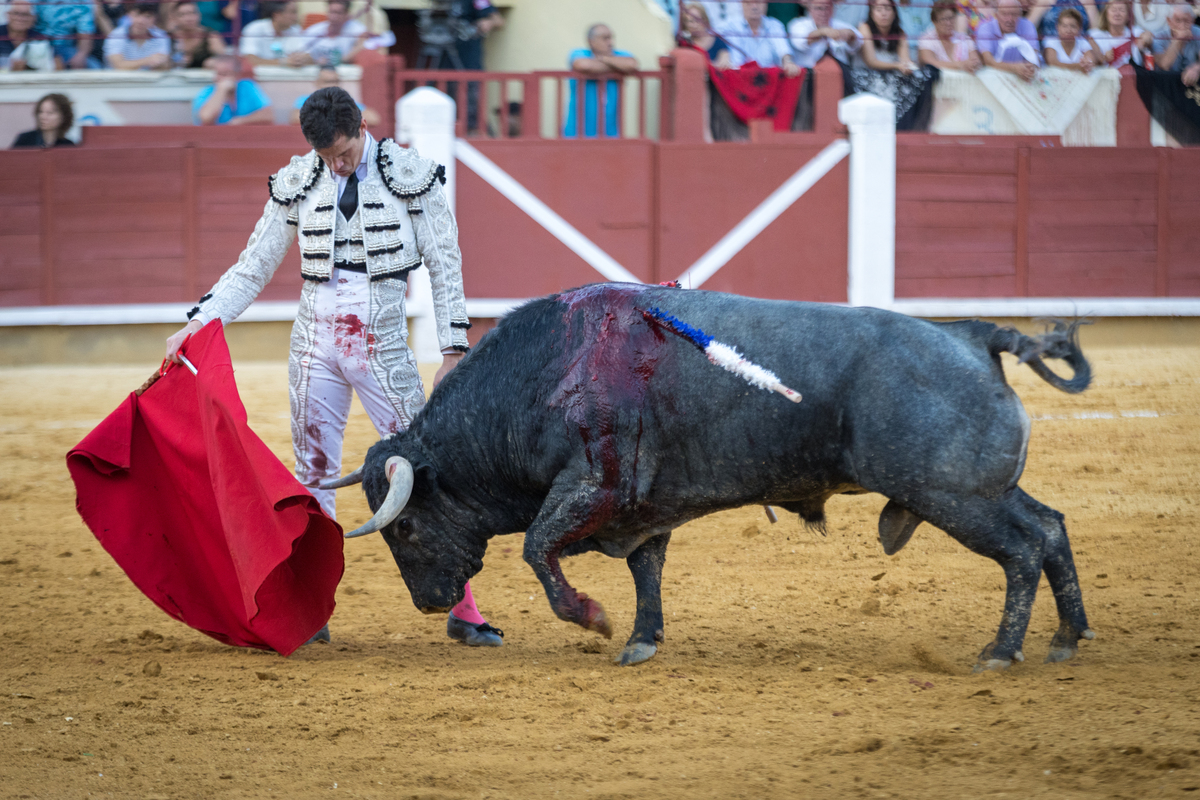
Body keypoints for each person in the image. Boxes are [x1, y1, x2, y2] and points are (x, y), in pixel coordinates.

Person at [165, 86, 503, 648]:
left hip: (384, 341)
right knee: (313, 471)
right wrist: (197, 323)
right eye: (326, 157)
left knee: (421, 469)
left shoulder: (411, 175)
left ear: (362, 127)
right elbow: (251, 270)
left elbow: (446, 265)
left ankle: (462, 606)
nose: (336, 165)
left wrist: (453, 351)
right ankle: (311, 607)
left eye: (342, 152)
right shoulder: (299, 180)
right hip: (313, 343)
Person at [845, 0, 939, 129]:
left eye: (887, 9)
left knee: (922, 77)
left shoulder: (900, 32)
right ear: (871, 13)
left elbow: (905, 60)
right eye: (878, 10)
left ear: (894, 12)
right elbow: (871, 62)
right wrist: (897, 66)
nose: (884, 13)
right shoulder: (864, 28)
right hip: (866, 75)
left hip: (890, 76)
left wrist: (908, 66)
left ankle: (910, 126)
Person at [564, 23, 639, 138]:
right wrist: (615, 67)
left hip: (611, 135)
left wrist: (602, 59)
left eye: (611, 38)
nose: (610, 43)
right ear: (591, 41)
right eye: (605, 38)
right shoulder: (579, 53)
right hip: (577, 134)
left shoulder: (620, 54)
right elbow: (583, 65)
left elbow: (632, 64)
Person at [719, 0, 802, 73]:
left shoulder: (774, 25)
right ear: (741, 4)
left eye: (758, 2)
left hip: (770, 81)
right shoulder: (730, 27)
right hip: (741, 79)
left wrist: (788, 62)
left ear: (766, 4)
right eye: (748, 3)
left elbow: (783, 50)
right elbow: (735, 61)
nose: (754, 7)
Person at [192, 54, 274, 125]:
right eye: (218, 73)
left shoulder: (247, 87)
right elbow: (206, 118)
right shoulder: (206, 92)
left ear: (237, 75)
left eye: (225, 74)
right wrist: (221, 91)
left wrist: (241, 121)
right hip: (213, 139)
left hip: (244, 138)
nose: (220, 78)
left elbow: (268, 115)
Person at [289, 66, 380, 126]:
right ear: (317, 83)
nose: (332, 85)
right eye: (327, 82)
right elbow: (296, 118)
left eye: (335, 81)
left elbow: (373, 119)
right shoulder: (304, 100)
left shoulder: (346, 101)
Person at [978, 0, 1042, 80]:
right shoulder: (985, 28)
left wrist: (1030, 68)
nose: (1010, 19)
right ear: (997, 16)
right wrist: (1014, 68)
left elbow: (1034, 56)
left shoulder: (1028, 26)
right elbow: (988, 61)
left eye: (1014, 14)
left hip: (1022, 77)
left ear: (1020, 15)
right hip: (995, 78)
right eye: (1005, 14)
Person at [787, 0, 862, 67]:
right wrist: (823, 32)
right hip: (809, 77)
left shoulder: (839, 25)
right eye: (819, 8)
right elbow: (800, 43)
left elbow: (859, 41)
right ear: (809, 9)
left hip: (839, 75)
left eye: (827, 8)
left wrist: (850, 35)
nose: (823, 13)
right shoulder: (798, 24)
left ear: (833, 9)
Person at [239, 0, 308, 67]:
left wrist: (301, 59)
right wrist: (284, 62)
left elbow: (307, 56)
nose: (295, 17)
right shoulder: (254, 29)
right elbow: (250, 60)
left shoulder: (296, 30)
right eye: (292, 12)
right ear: (277, 14)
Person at [104, 3, 172, 70]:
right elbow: (118, 65)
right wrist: (147, 60)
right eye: (137, 15)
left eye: (148, 16)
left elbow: (165, 65)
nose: (141, 21)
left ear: (155, 19)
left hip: (149, 80)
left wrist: (161, 63)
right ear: (129, 15)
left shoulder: (161, 36)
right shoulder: (116, 35)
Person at [918, 0, 982, 70]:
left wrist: (974, 64)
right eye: (943, 19)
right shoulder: (927, 39)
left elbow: (976, 60)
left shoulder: (964, 39)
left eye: (951, 18)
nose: (948, 23)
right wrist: (960, 65)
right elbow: (929, 62)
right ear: (934, 22)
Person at [301, 0, 367, 66]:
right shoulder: (314, 30)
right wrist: (314, 61)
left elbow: (364, 48)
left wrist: (339, 61)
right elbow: (301, 51)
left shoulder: (356, 30)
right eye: (331, 12)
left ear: (347, 14)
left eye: (338, 13)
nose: (333, 17)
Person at [1090, 0, 1153, 66]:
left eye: (1122, 10)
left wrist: (1147, 37)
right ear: (1106, 14)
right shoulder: (1095, 36)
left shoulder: (1135, 33)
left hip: (1134, 74)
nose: (1117, 14)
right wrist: (1103, 57)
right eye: (1113, 10)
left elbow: (1148, 38)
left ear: (1128, 16)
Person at [38, 0, 98, 68]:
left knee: (94, 67)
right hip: (35, 43)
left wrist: (81, 55)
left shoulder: (83, 2)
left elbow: (86, 31)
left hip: (65, 48)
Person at [1, 0, 58, 71]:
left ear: (33, 18)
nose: (20, 18)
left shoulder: (40, 40)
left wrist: (26, 68)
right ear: (8, 14)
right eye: (16, 13)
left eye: (25, 14)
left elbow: (52, 66)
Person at [169, 0, 226, 68]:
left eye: (192, 13)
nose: (189, 18)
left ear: (199, 15)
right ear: (174, 18)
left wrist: (214, 61)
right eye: (182, 14)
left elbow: (224, 58)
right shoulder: (168, 37)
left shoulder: (210, 35)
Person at [680, 2, 732, 68]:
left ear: (705, 20)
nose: (694, 25)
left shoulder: (719, 41)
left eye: (697, 20)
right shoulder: (684, 44)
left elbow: (725, 62)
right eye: (690, 21)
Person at [1151, 3, 1200, 72]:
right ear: (1169, 21)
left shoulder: (1198, 33)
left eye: (1186, 21)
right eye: (1178, 20)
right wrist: (1178, 40)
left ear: (1193, 21)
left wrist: (1196, 68)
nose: (1182, 25)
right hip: (1168, 80)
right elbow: (1164, 65)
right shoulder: (1160, 37)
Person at [1026, 0, 1101, 39]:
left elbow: (1096, 29)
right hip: (1050, 49)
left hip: (1080, 48)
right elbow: (1028, 26)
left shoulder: (1087, 1)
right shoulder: (1044, 1)